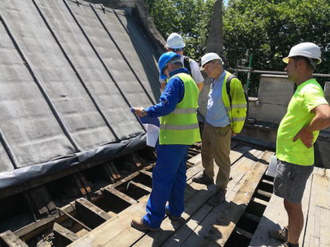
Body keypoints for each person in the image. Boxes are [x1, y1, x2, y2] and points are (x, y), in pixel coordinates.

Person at [268, 42, 330, 247]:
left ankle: (291, 243)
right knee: (289, 202)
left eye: (290, 63)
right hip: (292, 158)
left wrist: (306, 130)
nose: (286, 68)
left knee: (293, 205)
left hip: (296, 161)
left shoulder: (310, 89)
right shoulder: (304, 87)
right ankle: (289, 233)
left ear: (300, 64)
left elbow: (326, 115)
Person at [131, 52, 201, 231]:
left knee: (162, 179)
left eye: (165, 72)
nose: (166, 76)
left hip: (171, 139)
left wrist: (145, 112)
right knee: (178, 176)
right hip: (185, 138)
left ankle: (152, 220)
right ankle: (176, 211)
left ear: (169, 66)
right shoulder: (191, 81)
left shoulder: (176, 81)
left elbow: (166, 106)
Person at [192, 52, 247, 206]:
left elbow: (240, 108)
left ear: (218, 64)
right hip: (209, 125)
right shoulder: (215, 80)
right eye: (205, 69)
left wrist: (236, 127)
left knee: (222, 159)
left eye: (208, 67)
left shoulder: (231, 81)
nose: (207, 71)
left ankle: (221, 189)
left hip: (222, 127)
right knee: (206, 152)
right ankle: (208, 176)